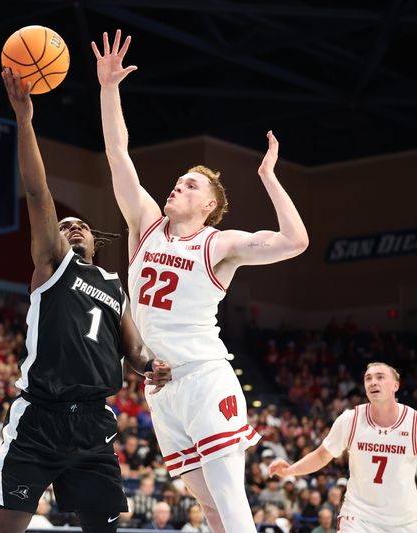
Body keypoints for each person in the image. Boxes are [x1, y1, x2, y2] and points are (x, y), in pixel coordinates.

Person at [93, 30, 309, 533]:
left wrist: (270, 178)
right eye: (178, 180)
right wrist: (108, 89)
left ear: (209, 204)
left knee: (230, 498)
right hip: (160, 387)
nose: (177, 185)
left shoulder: (220, 243)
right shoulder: (144, 222)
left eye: (191, 184)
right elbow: (117, 153)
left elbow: (295, 241)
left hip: (205, 376)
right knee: (206, 504)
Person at [0, 67, 170, 533]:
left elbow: (135, 351)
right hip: (41, 415)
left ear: (95, 243)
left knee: (103, 529)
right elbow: (38, 192)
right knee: (8, 525)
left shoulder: (113, 284)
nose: (73, 226)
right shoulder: (52, 265)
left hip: (94, 425)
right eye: (65, 225)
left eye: (81, 225)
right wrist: (25, 120)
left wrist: (151, 366)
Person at [269, 362, 417, 532]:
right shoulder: (351, 419)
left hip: (403, 521)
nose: (373, 382)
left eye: (380, 377)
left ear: (395, 385)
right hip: (358, 516)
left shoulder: (413, 423)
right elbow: (322, 455)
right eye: (368, 378)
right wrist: (290, 470)